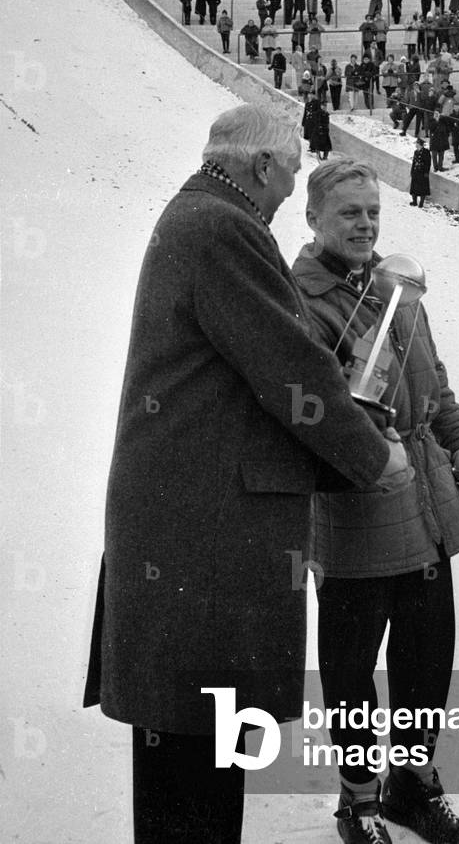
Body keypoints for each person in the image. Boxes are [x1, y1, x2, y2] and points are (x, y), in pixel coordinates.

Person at [83, 107, 408, 844]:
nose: (293, 193)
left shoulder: (201, 215)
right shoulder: (223, 227)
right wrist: (369, 455)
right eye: (293, 174)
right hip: (204, 533)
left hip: (189, 525)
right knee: (196, 754)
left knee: (192, 744)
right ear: (262, 167)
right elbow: (287, 361)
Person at [292, 159, 459, 844]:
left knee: (425, 657)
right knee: (352, 669)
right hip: (356, 510)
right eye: (348, 212)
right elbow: (316, 415)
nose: (364, 224)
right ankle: (358, 799)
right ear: (313, 217)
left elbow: (434, 388)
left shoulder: (399, 288)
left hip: (428, 510)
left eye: (372, 212)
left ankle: (411, 784)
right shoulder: (301, 299)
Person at [409, 136, 431, 205]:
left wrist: (426, 172)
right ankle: (414, 201)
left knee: (422, 188)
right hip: (416, 172)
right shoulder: (415, 152)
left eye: (417, 143)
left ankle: (421, 202)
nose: (416, 144)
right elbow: (414, 162)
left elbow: (428, 163)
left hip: (422, 172)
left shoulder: (426, 152)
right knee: (414, 187)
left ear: (419, 144)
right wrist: (412, 171)